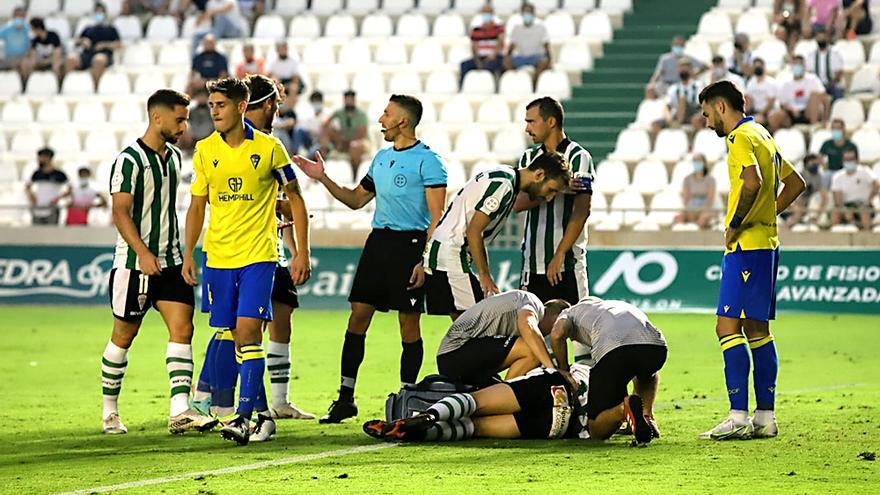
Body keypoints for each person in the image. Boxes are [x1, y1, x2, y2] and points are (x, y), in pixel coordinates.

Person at [293, 94, 448, 424]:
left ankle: (406, 398)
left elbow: (438, 217)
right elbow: (355, 200)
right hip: (378, 244)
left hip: (410, 246)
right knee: (357, 317)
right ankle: (345, 398)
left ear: (402, 121)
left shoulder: (429, 161)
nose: (380, 119)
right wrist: (322, 177)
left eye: (386, 114)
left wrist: (424, 260)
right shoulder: (381, 158)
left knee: (408, 324)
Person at [182, 77, 311, 446]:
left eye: (221, 105)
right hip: (218, 257)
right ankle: (263, 416)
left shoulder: (270, 148)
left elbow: (296, 198)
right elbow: (197, 206)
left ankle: (241, 417)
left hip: (258, 255)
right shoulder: (205, 150)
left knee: (249, 331)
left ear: (241, 107)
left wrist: (302, 251)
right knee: (236, 335)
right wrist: (190, 252)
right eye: (211, 105)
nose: (214, 111)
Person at [100, 89, 217, 436]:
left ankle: (180, 410)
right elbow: (120, 212)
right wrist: (142, 251)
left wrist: (185, 254)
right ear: (156, 117)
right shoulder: (129, 160)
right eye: (179, 120)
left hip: (172, 262)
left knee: (183, 329)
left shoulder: (175, 158)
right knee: (124, 334)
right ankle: (109, 412)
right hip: (134, 264)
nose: (184, 127)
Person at [697, 81, 806, 440]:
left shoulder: (740, 138)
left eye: (707, 113)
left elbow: (752, 182)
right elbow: (796, 184)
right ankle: (765, 417)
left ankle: (738, 416)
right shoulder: (763, 134)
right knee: (758, 330)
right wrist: (765, 215)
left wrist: (737, 223)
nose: (706, 121)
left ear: (721, 107)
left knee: (726, 327)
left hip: (746, 247)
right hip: (767, 244)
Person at [242, 74, 314, 424]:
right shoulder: (233, 143)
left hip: (274, 250)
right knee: (244, 329)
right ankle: (220, 399)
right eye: (276, 106)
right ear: (268, 104)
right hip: (241, 250)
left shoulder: (271, 145)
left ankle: (280, 401)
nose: (277, 112)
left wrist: (296, 250)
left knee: (282, 318)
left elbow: (287, 202)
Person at [424, 153, 571, 320]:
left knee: (464, 326)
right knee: (481, 324)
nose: (550, 197)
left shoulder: (506, 178)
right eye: (551, 190)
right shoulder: (503, 185)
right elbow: (474, 231)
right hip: (451, 254)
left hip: (444, 252)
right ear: (539, 174)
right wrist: (485, 275)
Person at [513, 97, 594, 365]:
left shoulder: (579, 157)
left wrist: (559, 254)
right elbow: (517, 204)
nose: (527, 128)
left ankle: (583, 388)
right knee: (534, 339)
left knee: (581, 336)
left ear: (551, 122)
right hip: (532, 264)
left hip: (567, 262)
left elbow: (581, 211)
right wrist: (555, 188)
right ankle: (545, 389)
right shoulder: (528, 158)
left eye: (531, 121)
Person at [363, 364, 591, 442]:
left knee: (476, 402)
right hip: (560, 425)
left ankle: (429, 416)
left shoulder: (587, 367)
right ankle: (421, 434)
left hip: (554, 386)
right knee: (475, 428)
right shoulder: (607, 385)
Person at [549, 296, 668, 444]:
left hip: (614, 350)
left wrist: (564, 370)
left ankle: (624, 409)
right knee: (647, 371)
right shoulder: (616, 305)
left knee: (596, 430)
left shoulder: (570, 311)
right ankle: (646, 415)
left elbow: (557, 334)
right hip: (656, 348)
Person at [435, 290, 570, 388]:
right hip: (455, 353)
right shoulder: (534, 303)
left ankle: (503, 397)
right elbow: (527, 325)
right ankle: (507, 399)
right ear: (557, 318)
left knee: (535, 353)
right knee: (533, 351)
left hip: (454, 357)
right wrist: (553, 370)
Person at [66, 3, 121, 88]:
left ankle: (95, 87)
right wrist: (83, 41)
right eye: (97, 12)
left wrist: (105, 45)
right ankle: (68, 86)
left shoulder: (111, 29)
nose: (99, 14)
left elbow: (119, 44)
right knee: (71, 59)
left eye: (100, 12)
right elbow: (76, 42)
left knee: (98, 59)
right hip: (87, 55)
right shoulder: (88, 29)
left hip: (104, 55)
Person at [768, 55, 829, 131]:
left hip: (809, 112)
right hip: (792, 113)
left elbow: (825, 99)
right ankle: (777, 136)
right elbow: (782, 104)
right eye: (795, 64)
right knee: (773, 116)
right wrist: (791, 109)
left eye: (800, 64)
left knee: (815, 95)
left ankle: (813, 128)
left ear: (804, 66)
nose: (797, 67)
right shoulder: (786, 84)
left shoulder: (812, 79)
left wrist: (825, 119)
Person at [321, 90, 369, 179]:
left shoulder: (361, 114)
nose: (349, 102)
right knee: (329, 131)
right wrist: (336, 135)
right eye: (347, 99)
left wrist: (346, 142)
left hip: (359, 142)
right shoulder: (339, 112)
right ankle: (323, 159)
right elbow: (325, 125)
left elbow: (362, 134)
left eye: (351, 99)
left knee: (354, 145)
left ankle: (355, 174)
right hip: (343, 141)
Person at [503, 3, 550, 88]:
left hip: (536, 56)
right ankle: (518, 82)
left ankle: (535, 84)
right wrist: (507, 56)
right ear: (522, 13)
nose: (527, 15)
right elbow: (512, 45)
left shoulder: (541, 28)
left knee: (543, 62)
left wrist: (549, 58)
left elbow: (546, 45)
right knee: (506, 62)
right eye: (526, 12)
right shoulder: (516, 28)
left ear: (533, 14)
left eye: (529, 12)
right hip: (521, 57)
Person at [830, 149, 878, 230]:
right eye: (846, 159)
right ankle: (833, 235)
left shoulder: (865, 171)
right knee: (835, 212)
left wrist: (868, 201)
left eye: (851, 159)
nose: (848, 162)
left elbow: (876, 185)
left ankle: (867, 234)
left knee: (864, 212)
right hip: (846, 205)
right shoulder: (838, 176)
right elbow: (837, 198)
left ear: (856, 160)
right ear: (842, 161)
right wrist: (844, 209)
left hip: (863, 204)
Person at [459, 3, 505, 87]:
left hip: (494, 57)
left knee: (489, 66)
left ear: (492, 14)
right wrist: (477, 60)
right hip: (480, 57)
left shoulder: (499, 28)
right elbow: (474, 47)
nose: (486, 15)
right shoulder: (476, 30)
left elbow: (500, 42)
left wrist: (493, 55)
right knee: (464, 65)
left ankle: (491, 87)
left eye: (488, 12)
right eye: (484, 12)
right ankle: (461, 86)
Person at [782, 153, 831, 228]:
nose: (816, 165)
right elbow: (791, 195)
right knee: (798, 213)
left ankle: (814, 222)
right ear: (806, 164)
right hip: (795, 204)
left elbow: (824, 195)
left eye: (817, 163)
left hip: (810, 205)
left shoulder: (819, 176)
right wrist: (798, 207)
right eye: (813, 163)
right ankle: (785, 229)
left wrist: (818, 213)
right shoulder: (799, 175)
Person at [25, 148, 68, 225]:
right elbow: (27, 187)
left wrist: (57, 198)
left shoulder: (59, 174)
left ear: (47, 158)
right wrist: (32, 197)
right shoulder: (37, 173)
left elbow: (70, 189)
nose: (38, 160)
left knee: (51, 231)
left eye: (40, 158)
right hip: (38, 208)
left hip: (51, 209)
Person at [674, 153, 717, 229]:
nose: (696, 163)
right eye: (694, 161)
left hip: (705, 208)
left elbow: (710, 199)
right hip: (690, 208)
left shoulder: (711, 180)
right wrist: (690, 211)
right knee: (678, 218)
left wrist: (700, 211)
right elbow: (685, 199)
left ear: (704, 163)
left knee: (703, 218)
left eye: (698, 161)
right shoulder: (687, 179)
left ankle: (696, 233)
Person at [662, 58, 704, 130]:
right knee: (655, 124)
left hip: (694, 112)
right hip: (677, 112)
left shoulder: (698, 85)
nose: (684, 69)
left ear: (690, 69)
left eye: (686, 66)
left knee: (682, 99)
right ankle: (675, 124)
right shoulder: (673, 88)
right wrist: (668, 118)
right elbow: (667, 106)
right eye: (681, 67)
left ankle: (677, 125)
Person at [21, 18, 63, 84]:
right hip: (41, 61)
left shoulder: (53, 36)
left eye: (32, 29)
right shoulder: (35, 40)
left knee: (56, 65)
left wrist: (47, 61)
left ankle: (58, 84)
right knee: (26, 63)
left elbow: (57, 53)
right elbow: (32, 55)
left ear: (37, 28)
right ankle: (25, 83)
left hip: (52, 60)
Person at [805, 31, 844, 101]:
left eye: (823, 38)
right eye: (819, 38)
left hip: (831, 84)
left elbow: (838, 73)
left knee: (838, 91)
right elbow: (809, 73)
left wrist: (829, 84)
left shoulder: (835, 54)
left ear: (827, 39)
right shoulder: (811, 55)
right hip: (816, 85)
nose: (821, 39)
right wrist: (818, 85)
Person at [744, 58, 779, 127]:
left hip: (767, 112)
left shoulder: (770, 82)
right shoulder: (751, 82)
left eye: (759, 66)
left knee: (756, 120)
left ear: (763, 67)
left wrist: (761, 114)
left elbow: (771, 103)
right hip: (754, 110)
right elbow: (748, 98)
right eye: (755, 66)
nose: (757, 68)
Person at [294, 90, 329, 156]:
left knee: (313, 152)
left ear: (321, 102)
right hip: (310, 139)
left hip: (320, 142)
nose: (316, 103)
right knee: (299, 130)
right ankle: (295, 152)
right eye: (314, 101)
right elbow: (304, 127)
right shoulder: (308, 114)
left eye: (317, 101)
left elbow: (325, 131)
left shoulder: (326, 114)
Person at [0, 6, 30, 77]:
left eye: (21, 15)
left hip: (24, 58)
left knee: (25, 64)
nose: (19, 17)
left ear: (24, 16)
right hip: (8, 58)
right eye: (17, 15)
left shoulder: (29, 28)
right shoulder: (6, 28)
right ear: (13, 16)